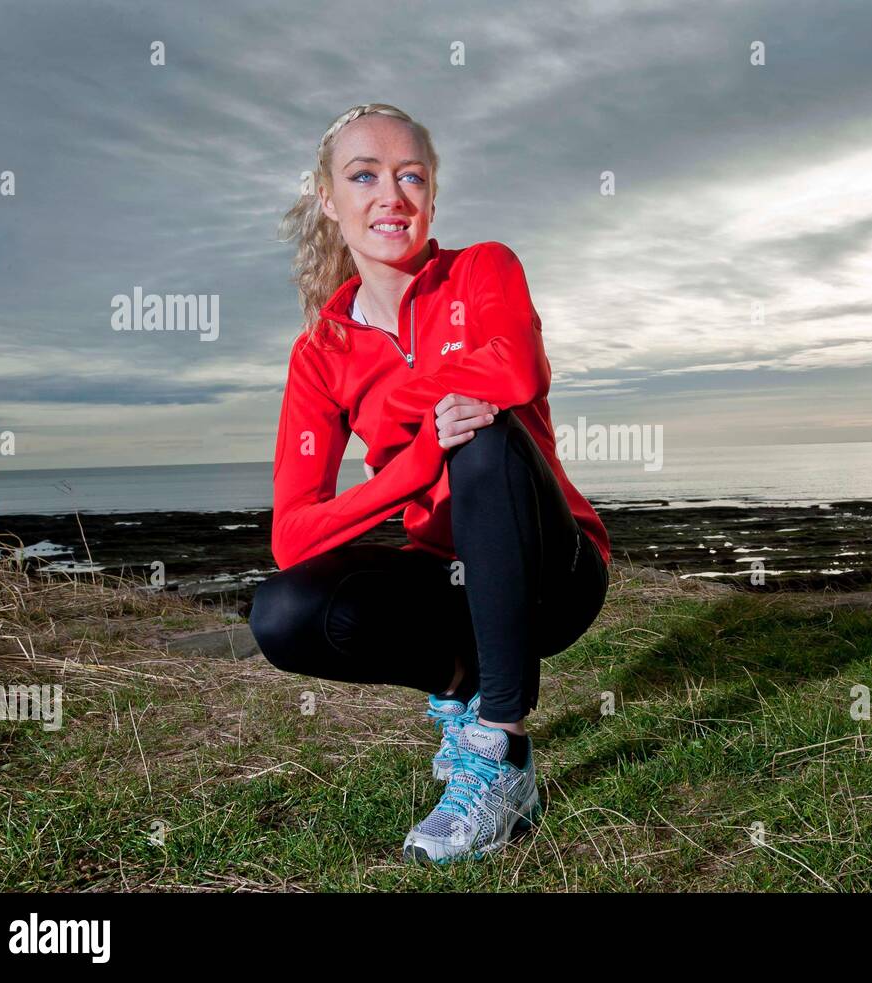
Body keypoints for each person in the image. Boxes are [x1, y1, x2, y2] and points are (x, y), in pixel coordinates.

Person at [248, 103, 611, 864]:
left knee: (477, 432)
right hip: (450, 580)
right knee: (284, 611)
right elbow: (293, 534)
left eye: (411, 175)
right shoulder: (321, 351)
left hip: (554, 576)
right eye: (365, 175)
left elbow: (514, 370)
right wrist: (411, 467)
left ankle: (502, 748)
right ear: (328, 197)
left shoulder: (483, 268)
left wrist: (401, 406)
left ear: (433, 195)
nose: (392, 196)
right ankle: (458, 682)